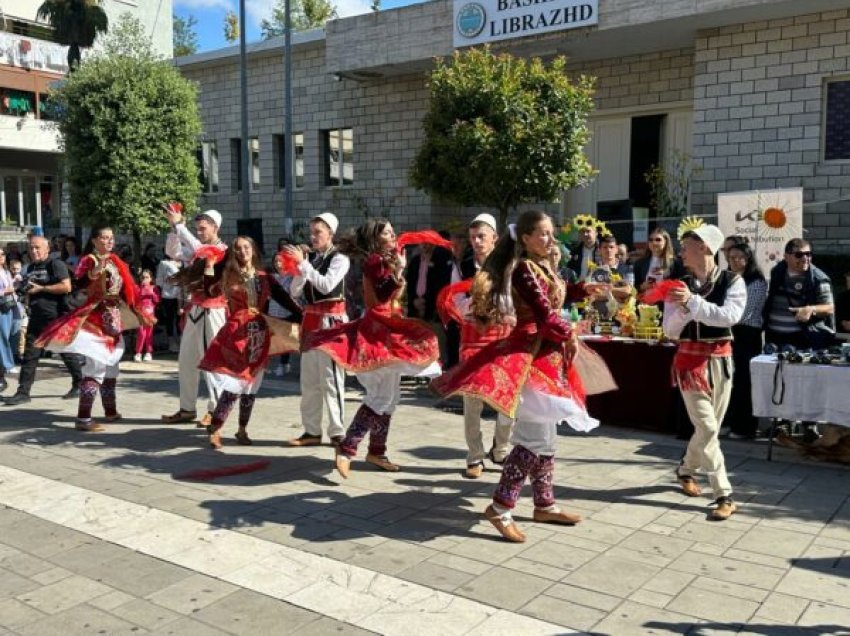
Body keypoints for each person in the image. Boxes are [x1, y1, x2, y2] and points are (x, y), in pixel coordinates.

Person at [433, 210, 596, 543]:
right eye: (544, 234)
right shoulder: (523, 269)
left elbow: (557, 300)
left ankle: (544, 503)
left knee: (547, 437)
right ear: (525, 239)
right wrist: (571, 333)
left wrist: (585, 290)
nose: (551, 239)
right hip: (529, 357)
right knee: (532, 438)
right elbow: (546, 316)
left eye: (552, 233)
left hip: (547, 358)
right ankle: (500, 505)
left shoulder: (543, 267)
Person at [304, 218, 441, 477]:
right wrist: (399, 272)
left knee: (390, 398)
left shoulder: (384, 259)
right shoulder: (374, 261)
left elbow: (392, 295)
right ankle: (347, 447)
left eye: (392, 230)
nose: (393, 235)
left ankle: (377, 451)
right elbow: (381, 293)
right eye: (387, 232)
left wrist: (398, 271)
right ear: (376, 238)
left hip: (388, 326)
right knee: (381, 396)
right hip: (378, 329)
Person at [662, 223, 745, 521]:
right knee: (709, 429)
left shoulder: (733, 281)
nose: (681, 251)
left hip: (721, 362)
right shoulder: (677, 284)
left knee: (706, 428)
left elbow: (730, 317)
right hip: (689, 364)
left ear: (706, 248)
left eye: (687, 246)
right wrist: (684, 308)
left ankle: (685, 469)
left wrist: (693, 302)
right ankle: (724, 493)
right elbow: (669, 330)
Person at [35, 225, 150, 431]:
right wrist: (97, 270)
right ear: (95, 240)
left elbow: (126, 288)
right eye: (105, 238)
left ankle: (110, 410)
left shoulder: (115, 261)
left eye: (111, 238)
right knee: (96, 365)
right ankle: (83, 418)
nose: (109, 241)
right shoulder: (91, 260)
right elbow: (82, 279)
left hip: (113, 317)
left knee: (113, 364)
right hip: (96, 318)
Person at [199, 236, 302, 449]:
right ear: (234, 253)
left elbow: (284, 299)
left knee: (253, 384)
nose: (243, 251)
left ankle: (242, 428)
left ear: (253, 250)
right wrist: (209, 266)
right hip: (237, 333)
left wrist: (303, 317)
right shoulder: (228, 275)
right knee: (235, 382)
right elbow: (209, 289)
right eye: (238, 248)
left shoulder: (264, 277)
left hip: (259, 335)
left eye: (246, 247)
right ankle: (216, 427)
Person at [448, 213, 514, 479]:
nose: (476, 242)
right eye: (473, 237)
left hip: (502, 338)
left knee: (510, 400)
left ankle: (501, 447)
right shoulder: (462, 266)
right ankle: (474, 457)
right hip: (473, 339)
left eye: (481, 236)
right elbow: (454, 299)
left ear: (494, 239)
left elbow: (513, 300)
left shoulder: (507, 266)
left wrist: (496, 309)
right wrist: (473, 308)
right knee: (472, 403)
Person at [284, 213, 351, 447]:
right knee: (310, 381)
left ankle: (337, 431)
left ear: (330, 233)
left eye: (317, 232)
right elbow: (294, 291)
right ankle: (312, 430)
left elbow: (326, 285)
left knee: (331, 380)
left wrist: (303, 264)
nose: (312, 237)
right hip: (312, 322)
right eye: (311, 232)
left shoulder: (340, 258)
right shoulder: (311, 260)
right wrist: (300, 267)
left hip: (331, 323)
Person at [161, 207, 228, 425]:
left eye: (203, 228)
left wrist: (181, 226)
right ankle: (187, 408)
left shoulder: (222, 250)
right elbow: (173, 252)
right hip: (196, 308)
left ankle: (215, 410)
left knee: (212, 361)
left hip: (214, 310)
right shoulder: (198, 248)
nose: (199, 232)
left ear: (216, 228)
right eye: (197, 228)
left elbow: (200, 250)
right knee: (186, 360)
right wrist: (174, 228)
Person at [2, 236, 83, 406]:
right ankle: (23, 392)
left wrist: (42, 288)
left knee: (66, 353)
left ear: (47, 249)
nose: (34, 251)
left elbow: (66, 286)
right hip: (36, 317)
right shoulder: (30, 267)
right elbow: (28, 290)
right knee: (30, 356)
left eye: (38, 248)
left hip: (55, 317)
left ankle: (79, 383)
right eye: (31, 248)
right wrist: (23, 292)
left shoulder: (55, 264)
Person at [720, 242, 766, 439]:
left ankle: (745, 427)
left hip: (747, 334)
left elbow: (744, 313)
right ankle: (728, 421)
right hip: (728, 333)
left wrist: (720, 316)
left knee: (745, 382)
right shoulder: (725, 279)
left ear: (748, 259)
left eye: (740, 257)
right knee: (728, 380)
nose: (735, 261)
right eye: (731, 257)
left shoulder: (756, 281)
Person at [764, 238, 835, 351]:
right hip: (774, 338)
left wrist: (811, 309)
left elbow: (830, 308)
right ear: (786, 257)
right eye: (799, 255)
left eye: (808, 254)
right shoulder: (777, 271)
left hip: (802, 338)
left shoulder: (818, 278)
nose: (805, 258)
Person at [268, 237, 297, 377]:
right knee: (279, 339)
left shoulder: (291, 276)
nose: (278, 264)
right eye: (275, 262)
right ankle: (283, 365)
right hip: (275, 312)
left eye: (280, 261)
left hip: (288, 312)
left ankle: (284, 365)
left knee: (287, 339)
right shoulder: (272, 277)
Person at [155, 245, 182, 352]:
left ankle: (181, 340)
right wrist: (164, 289)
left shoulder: (181, 261)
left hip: (181, 294)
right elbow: (159, 279)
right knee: (170, 319)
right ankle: (171, 342)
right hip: (168, 295)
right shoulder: (164, 263)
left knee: (180, 319)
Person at [134, 269, 160, 362]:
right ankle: (138, 352)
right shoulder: (137, 287)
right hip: (141, 312)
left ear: (151, 278)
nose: (144, 279)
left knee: (149, 333)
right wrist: (142, 289)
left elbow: (157, 300)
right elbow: (134, 300)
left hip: (150, 313)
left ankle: (148, 352)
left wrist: (152, 292)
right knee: (141, 333)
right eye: (142, 277)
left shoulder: (154, 288)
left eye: (146, 277)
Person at [0, 247, 16, 393]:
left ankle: (5, 367)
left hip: (9, 307)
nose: (1, 257)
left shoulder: (6, 271)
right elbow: (8, 289)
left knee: (8, 336)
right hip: (1, 307)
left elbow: (12, 289)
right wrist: (6, 291)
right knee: (2, 338)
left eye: (3, 254)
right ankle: (7, 365)